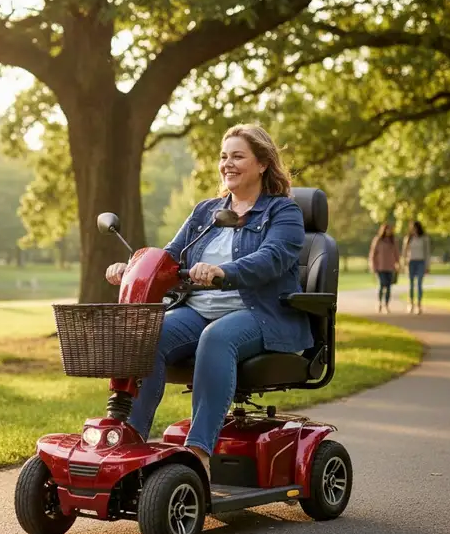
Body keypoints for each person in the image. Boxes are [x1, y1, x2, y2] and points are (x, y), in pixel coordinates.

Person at [105, 123, 313, 477]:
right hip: (198, 310)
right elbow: (168, 259)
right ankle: (129, 441)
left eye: (237, 156)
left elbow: (274, 258)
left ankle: (198, 452)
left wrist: (224, 272)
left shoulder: (283, 212)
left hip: (260, 313)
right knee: (147, 334)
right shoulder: (205, 213)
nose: (227, 164)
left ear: (262, 163)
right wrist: (131, 269)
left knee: (216, 337)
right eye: (223, 156)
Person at [368, 223, 400, 313]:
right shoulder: (378, 240)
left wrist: (398, 264)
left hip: (390, 267)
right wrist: (373, 266)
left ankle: (386, 305)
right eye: (387, 229)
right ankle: (379, 303)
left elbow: (396, 253)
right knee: (382, 285)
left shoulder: (393, 241)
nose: (389, 231)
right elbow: (372, 254)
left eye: (390, 230)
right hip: (380, 267)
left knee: (389, 287)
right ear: (384, 230)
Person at [402, 221, 431, 314]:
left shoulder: (424, 238)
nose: (413, 230)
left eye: (415, 228)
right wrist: (404, 263)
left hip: (421, 262)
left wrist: (427, 265)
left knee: (419, 284)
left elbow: (427, 253)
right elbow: (404, 252)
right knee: (410, 284)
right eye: (412, 228)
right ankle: (410, 304)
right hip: (411, 263)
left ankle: (419, 305)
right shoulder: (408, 238)